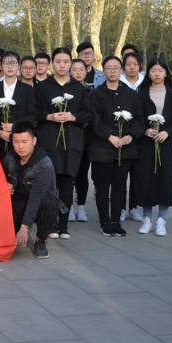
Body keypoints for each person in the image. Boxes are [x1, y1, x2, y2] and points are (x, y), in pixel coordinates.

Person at [34, 47, 92, 239]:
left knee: (67, 183)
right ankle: (50, 224)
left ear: (71, 64)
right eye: (58, 61)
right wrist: (49, 116)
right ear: (52, 64)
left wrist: (73, 117)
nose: (62, 65)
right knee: (49, 184)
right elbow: (34, 111)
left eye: (66, 62)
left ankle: (63, 225)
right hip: (48, 140)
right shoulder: (43, 87)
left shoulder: (79, 88)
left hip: (71, 141)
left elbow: (88, 114)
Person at [88, 55, 145, 238]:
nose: (112, 71)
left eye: (115, 68)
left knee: (120, 186)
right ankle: (105, 222)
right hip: (102, 148)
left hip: (125, 148)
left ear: (121, 71)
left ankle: (116, 222)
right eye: (108, 68)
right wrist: (109, 136)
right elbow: (94, 120)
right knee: (102, 186)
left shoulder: (132, 95)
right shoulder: (96, 94)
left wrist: (130, 135)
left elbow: (139, 120)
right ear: (103, 71)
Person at [135, 59, 172, 237]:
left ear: (165, 73)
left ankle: (162, 220)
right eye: (153, 70)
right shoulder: (141, 94)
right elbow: (136, 119)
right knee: (145, 179)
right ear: (148, 73)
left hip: (165, 144)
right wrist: (145, 130)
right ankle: (147, 219)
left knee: (165, 179)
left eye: (160, 70)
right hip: (146, 144)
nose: (157, 74)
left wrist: (168, 133)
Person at [3, 121, 61, 260]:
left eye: (24, 141)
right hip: (17, 201)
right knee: (5, 240)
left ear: (34, 141)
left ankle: (41, 240)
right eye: (16, 142)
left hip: (38, 202)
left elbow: (36, 197)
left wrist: (25, 227)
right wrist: (4, 185)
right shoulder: (10, 158)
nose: (20, 146)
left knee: (49, 201)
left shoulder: (44, 164)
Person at [0, 51, 36, 159]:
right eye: (6, 63)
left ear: (19, 66)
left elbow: (32, 114)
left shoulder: (27, 89)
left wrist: (15, 126)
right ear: (1, 66)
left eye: (13, 63)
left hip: (19, 140)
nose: (10, 66)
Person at [119, 51, 145, 222]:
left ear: (140, 66)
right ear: (124, 67)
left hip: (141, 136)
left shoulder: (145, 83)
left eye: (135, 64)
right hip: (122, 136)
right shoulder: (119, 84)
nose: (132, 67)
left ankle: (134, 207)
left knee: (137, 174)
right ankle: (120, 207)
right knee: (121, 175)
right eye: (128, 64)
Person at [69, 58, 92, 223]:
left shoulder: (91, 91)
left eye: (81, 69)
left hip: (87, 138)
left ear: (86, 72)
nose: (78, 73)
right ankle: (68, 206)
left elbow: (92, 114)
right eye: (74, 69)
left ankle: (81, 206)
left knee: (83, 174)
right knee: (69, 173)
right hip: (70, 136)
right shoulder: (66, 91)